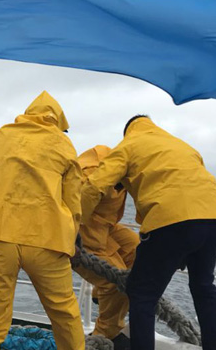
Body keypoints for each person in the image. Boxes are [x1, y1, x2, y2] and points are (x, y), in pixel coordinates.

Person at [80, 115, 216, 350]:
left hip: (170, 219)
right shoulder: (183, 145)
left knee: (142, 294)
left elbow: (95, 186)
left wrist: (73, 221)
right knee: (204, 287)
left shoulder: (127, 146)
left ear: (127, 131)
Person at [0, 91, 84, 350]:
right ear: (58, 122)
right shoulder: (63, 145)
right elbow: (74, 204)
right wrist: (71, 239)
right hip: (49, 242)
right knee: (65, 316)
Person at [72, 145, 138, 350]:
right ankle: (104, 335)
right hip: (81, 228)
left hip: (104, 225)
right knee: (115, 280)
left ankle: (100, 298)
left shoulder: (128, 166)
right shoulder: (91, 172)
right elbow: (81, 199)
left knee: (139, 250)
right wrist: (71, 232)